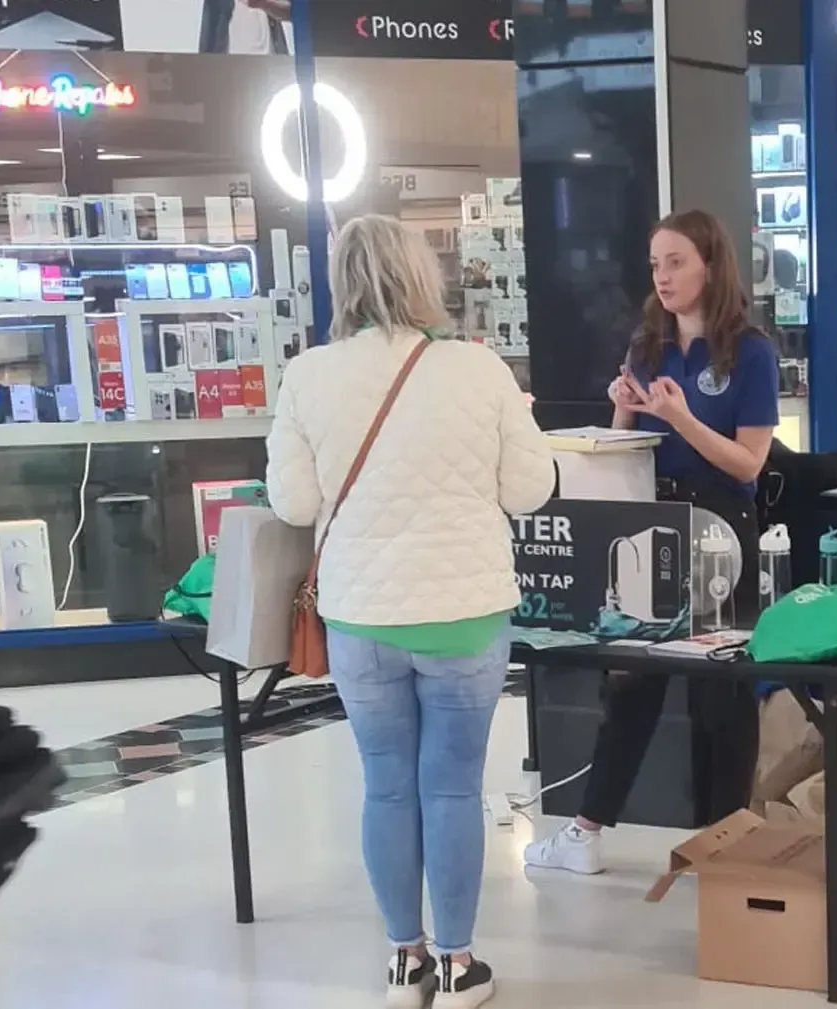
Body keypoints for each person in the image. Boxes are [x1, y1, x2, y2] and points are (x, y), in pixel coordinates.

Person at [266, 214, 553, 1009]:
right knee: (453, 787)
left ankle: (404, 961)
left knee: (386, 785)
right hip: (465, 614)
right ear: (424, 276)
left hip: (360, 618)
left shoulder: (307, 375)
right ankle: (459, 968)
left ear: (343, 281)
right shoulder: (478, 368)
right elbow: (530, 489)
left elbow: (293, 504)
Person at [523, 209, 779, 875]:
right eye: (655, 264)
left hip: (720, 527)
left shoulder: (751, 352)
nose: (662, 277)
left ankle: (729, 840)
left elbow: (748, 464)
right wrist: (626, 408)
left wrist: (681, 417)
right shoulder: (649, 345)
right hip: (652, 522)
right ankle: (585, 830)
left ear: (710, 266)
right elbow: (625, 448)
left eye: (676, 262)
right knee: (632, 682)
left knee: (724, 691)